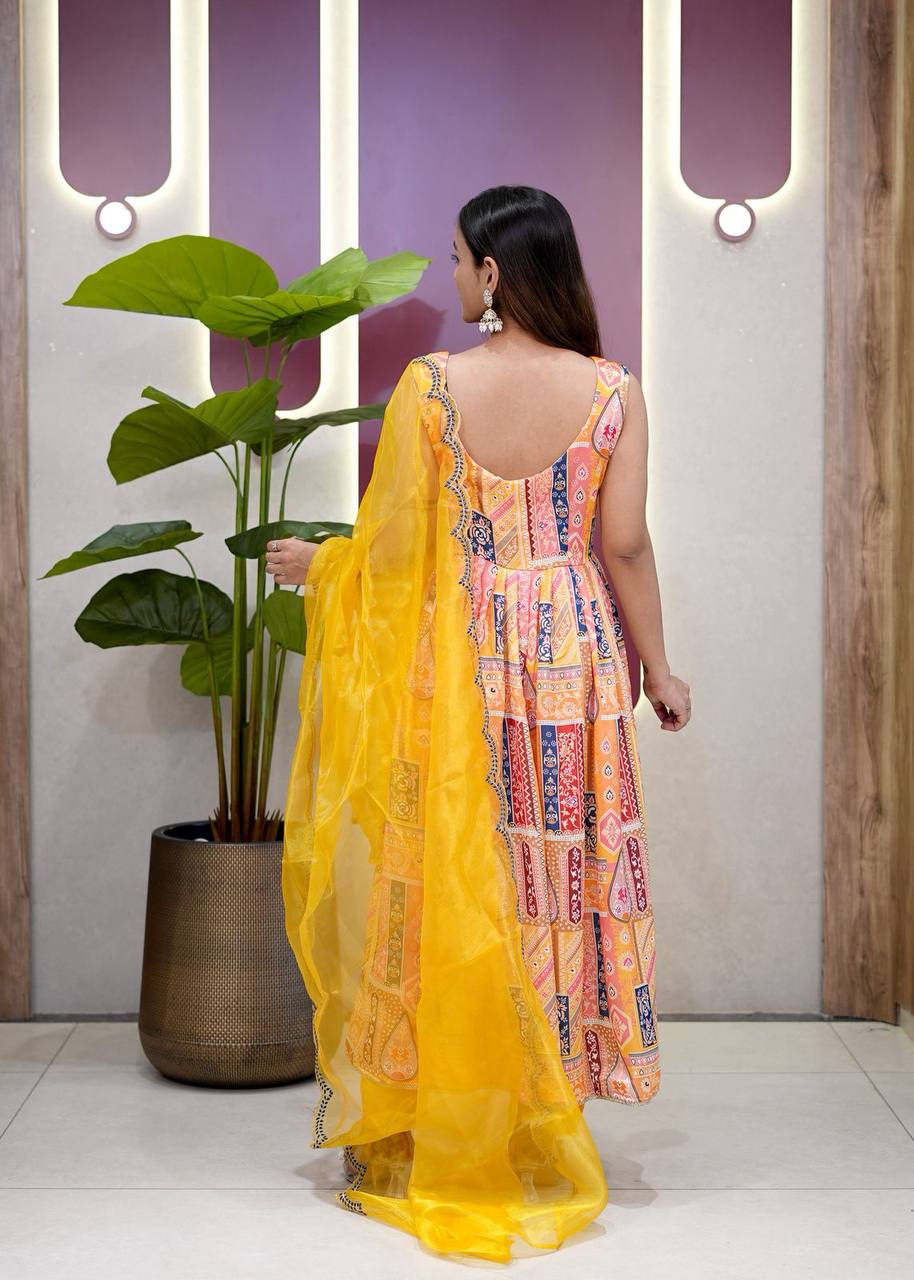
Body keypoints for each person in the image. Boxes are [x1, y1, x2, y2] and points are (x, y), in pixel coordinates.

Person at [267, 185, 691, 1264]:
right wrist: (659, 666)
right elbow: (625, 544)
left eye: (458, 259)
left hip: (457, 655)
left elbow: (399, 547)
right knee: (556, 870)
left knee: (448, 869)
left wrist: (324, 568)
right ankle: (543, 1112)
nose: (452, 276)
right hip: (570, 658)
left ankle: (437, 1110)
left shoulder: (431, 387)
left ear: (494, 272)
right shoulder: (614, 391)